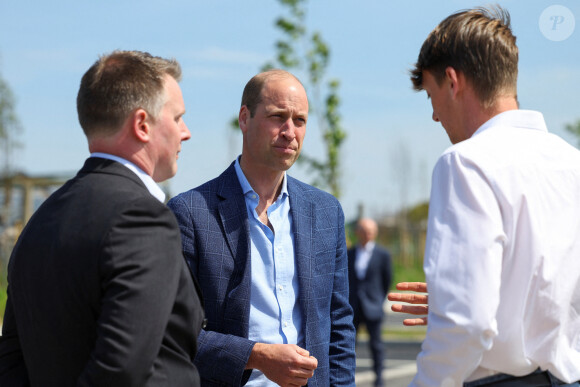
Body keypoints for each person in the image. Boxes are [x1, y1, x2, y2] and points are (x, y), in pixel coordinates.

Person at [399, 6, 580, 387]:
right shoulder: (572, 163)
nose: (434, 115)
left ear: (453, 81)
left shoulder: (465, 163)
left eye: (431, 95)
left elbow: (467, 322)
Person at [0, 50, 205, 386]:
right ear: (142, 124)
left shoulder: (42, 220)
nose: (186, 132)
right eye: (178, 117)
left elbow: (11, 360)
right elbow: (121, 371)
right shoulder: (142, 219)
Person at [167, 69, 356, 386]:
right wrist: (256, 355)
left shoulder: (326, 211)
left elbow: (338, 323)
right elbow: (175, 333)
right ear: (244, 118)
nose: (289, 131)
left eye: (300, 120)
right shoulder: (190, 212)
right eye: (277, 116)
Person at [347, 218, 392, 387]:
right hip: (353, 307)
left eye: (371, 231)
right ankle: (347, 379)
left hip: (373, 306)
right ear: (358, 232)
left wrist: (379, 300)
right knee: (349, 346)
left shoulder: (383, 254)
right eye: (364, 230)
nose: (368, 234)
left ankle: (379, 380)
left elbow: (387, 280)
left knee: (376, 346)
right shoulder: (349, 253)